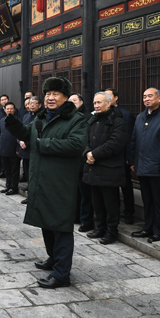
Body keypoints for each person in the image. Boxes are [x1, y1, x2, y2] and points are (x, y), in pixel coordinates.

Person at [5, 77, 86, 289]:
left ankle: (62, 274)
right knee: (46, 224)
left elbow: (76, 144)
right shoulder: (40, 117)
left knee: (60, 227)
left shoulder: (76, 119)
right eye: (48, 94)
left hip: (60, 183)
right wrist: (13, 122)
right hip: (40, 179)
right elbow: (28, 134)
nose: (50, 98)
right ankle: (53, 259)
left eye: (55, 94)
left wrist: (45, 144)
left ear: (65, 97)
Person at [128, 88, 160, 243]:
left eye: (150, 96)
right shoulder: (140, 117)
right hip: (142, 166)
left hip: (159, 168)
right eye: (144, 96)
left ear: (159, 98)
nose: (147, 99)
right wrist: (133, 161)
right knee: (147, 200)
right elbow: (134, 140)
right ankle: (148, 227)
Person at [82, 92, 128, 245]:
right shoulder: (93, 119)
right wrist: (87, 153)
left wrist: (94, 154)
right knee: (97, 202)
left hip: (109, 169)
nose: (96, 105)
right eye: (95, 103)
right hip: (93, 167)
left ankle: (111, 231)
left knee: (110, 203)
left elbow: (115, 144)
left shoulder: (118, 121)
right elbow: (85, 139)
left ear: (109, 104)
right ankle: (100, 228)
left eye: (99, 102)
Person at [104, 88, 137, 224]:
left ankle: (129, 213)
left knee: (126, 186)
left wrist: (129, 156)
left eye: (109, 96)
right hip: (107, 156)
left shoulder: (126, 114)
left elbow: (129, 137)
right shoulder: (103, 113)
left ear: (116, 98)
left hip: (122, 156)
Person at [69, 93, 93, 233]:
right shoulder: (69, 116)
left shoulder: (87, 117)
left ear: (81, 102)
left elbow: (86, 139)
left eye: (74, 100)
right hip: (72, 160)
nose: (72, 103)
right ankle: (75, 216)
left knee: (85, 193)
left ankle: (86, 220)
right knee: (74, 192)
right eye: (70, 101)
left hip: (83, 160)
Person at [0, 102, 20, 195]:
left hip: (14, 149)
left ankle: (14, 187)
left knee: (14, 170)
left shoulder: (18, 121)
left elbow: (20, 136)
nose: (9, 110)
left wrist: (18, 149)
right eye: (7, 109)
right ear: (5, 110)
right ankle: (8, 186)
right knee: (7, 169)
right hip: (4, 148)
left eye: (11, 109)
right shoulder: (2, 120)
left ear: (14, 110)